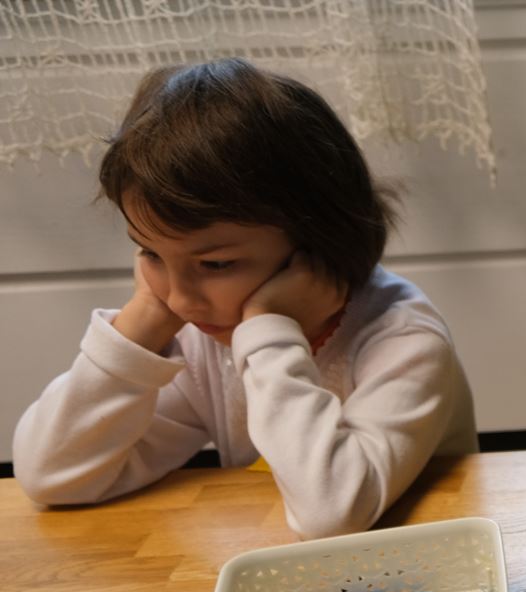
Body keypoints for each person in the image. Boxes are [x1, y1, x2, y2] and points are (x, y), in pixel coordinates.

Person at [13, 59, 476, 540]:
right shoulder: (202, 335)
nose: (179, 301)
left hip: (428, 564)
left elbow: (332, 513)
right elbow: (53, 477)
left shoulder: (403, 340)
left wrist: (268, 329)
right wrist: (141, 324)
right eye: (151, 253)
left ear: (320, 245)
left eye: (215, 264)